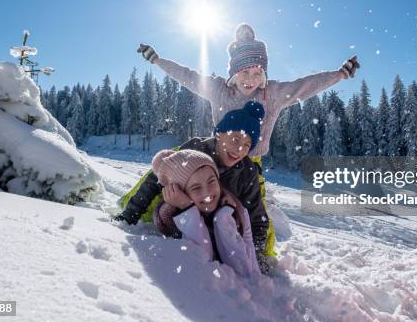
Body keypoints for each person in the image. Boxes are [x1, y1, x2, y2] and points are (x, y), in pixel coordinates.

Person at [137, 23, 360, 256]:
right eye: (244, 72)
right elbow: (188, 76)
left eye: (257, 73)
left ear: (263, 74)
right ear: (234, 73)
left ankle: (260, 256)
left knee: (254, 213)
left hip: (250, 163)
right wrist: (157, 60)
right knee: (166, 169)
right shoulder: (218, 89)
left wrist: (339, 74)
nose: (250, 79)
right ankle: (140, 215)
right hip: (211, 156)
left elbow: (303, 86)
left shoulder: (271, 94)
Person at [115, 101, 273, 272]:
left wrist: (257, 257)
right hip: (185, 217)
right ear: (219, 134)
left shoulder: (247, 171)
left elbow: (257, 217)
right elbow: (155, 179)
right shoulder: (197, 148)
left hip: (219, 228)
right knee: (166, 208)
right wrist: (130, 215)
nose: (239, 149)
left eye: (247, 145)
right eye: (235, 139)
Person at [151, 148, 260, 278]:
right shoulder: (171, 218)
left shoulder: (235, 208)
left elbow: (245, 270)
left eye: (211, 181)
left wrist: (222, 219)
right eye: (195, 188)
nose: (207, 194)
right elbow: (202, 262)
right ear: (181, 193)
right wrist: (188, 209)